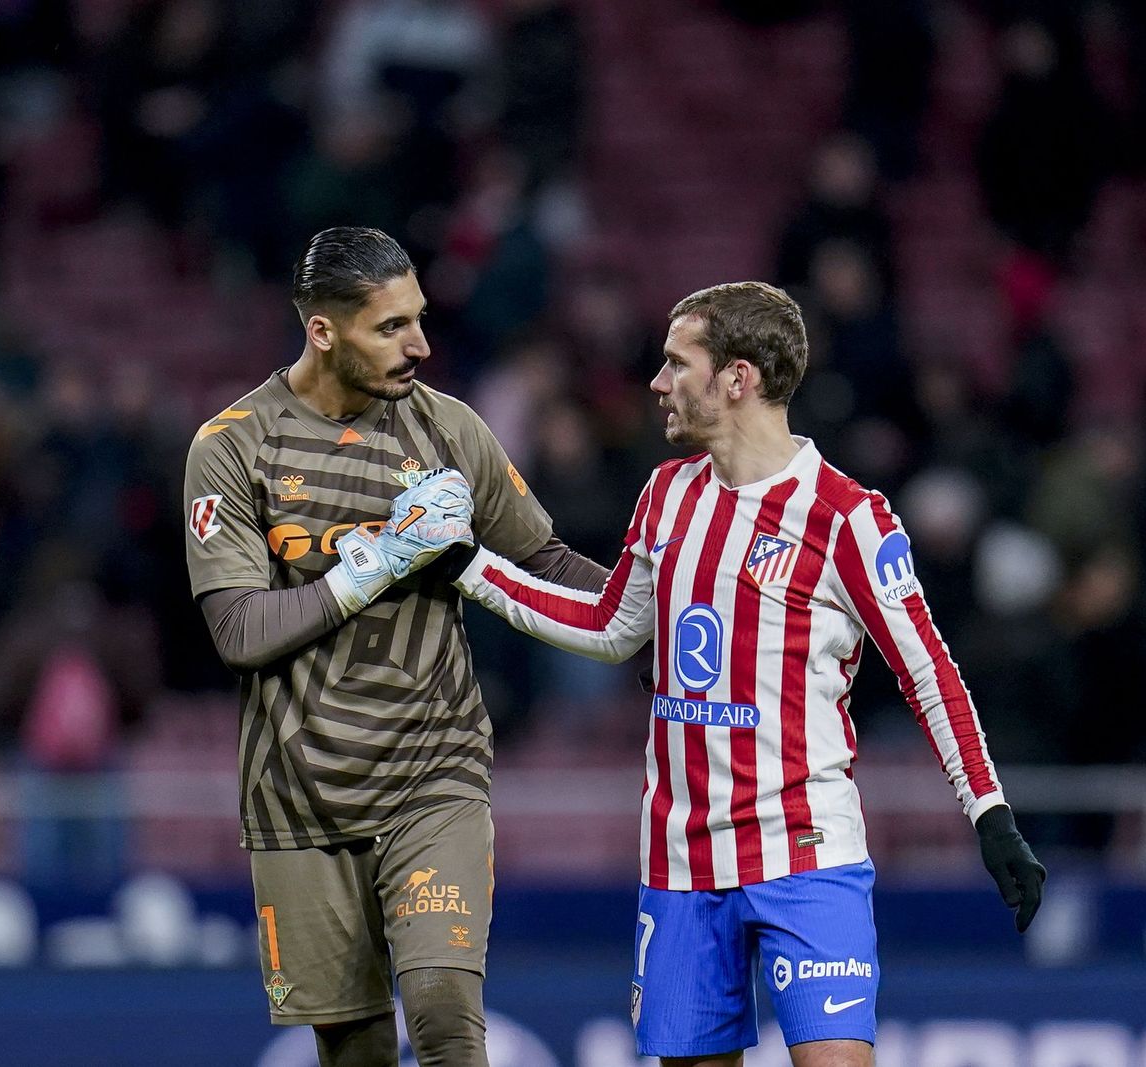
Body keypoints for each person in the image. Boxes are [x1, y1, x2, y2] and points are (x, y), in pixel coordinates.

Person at [447, 281, 1045, 1066]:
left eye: (675, 363)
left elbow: (928, 671)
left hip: (806, 853)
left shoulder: (846, 517)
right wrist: (466, 563)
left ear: (738, 377)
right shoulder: (666, 495)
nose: (657, 383)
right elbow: (610, 628)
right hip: (682, 861)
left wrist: (989, 813)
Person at [182, 226, 605, 1067]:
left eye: (419, 318)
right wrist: (373, 567)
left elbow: (547, 562)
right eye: (391, 327)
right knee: (356, 1049)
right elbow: (236, 631)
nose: (421, 344)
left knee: (446, 1009)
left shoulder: (449, 429)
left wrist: (673, 596)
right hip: (298, 796)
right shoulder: (232, 448)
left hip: (433, 772)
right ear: (323, 331)